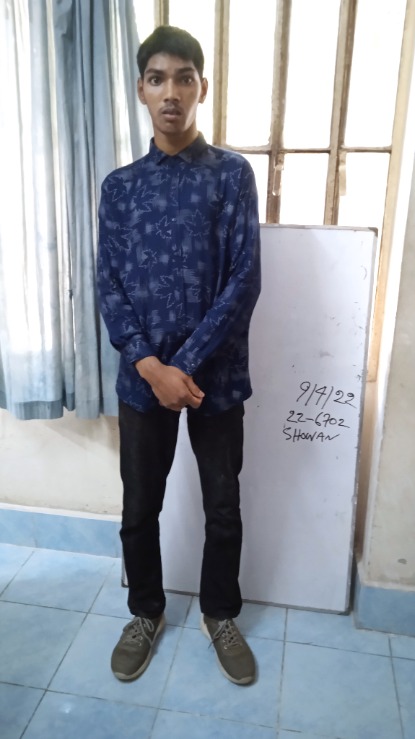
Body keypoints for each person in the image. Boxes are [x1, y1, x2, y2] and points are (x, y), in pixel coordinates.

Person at [97, 25, 261, 686]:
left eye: (183, 78)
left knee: (223, 506)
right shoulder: (120, 187)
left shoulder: (231, 176)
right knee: (140, 507)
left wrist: (183, 367)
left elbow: (243, 279)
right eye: (157, 78)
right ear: (141, 90)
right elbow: (108, 284)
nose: (171, 92)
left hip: (215, 377)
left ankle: (219, 613)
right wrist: (151, 367)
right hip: (143, 381)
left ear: (202, 87)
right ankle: (146, 611)